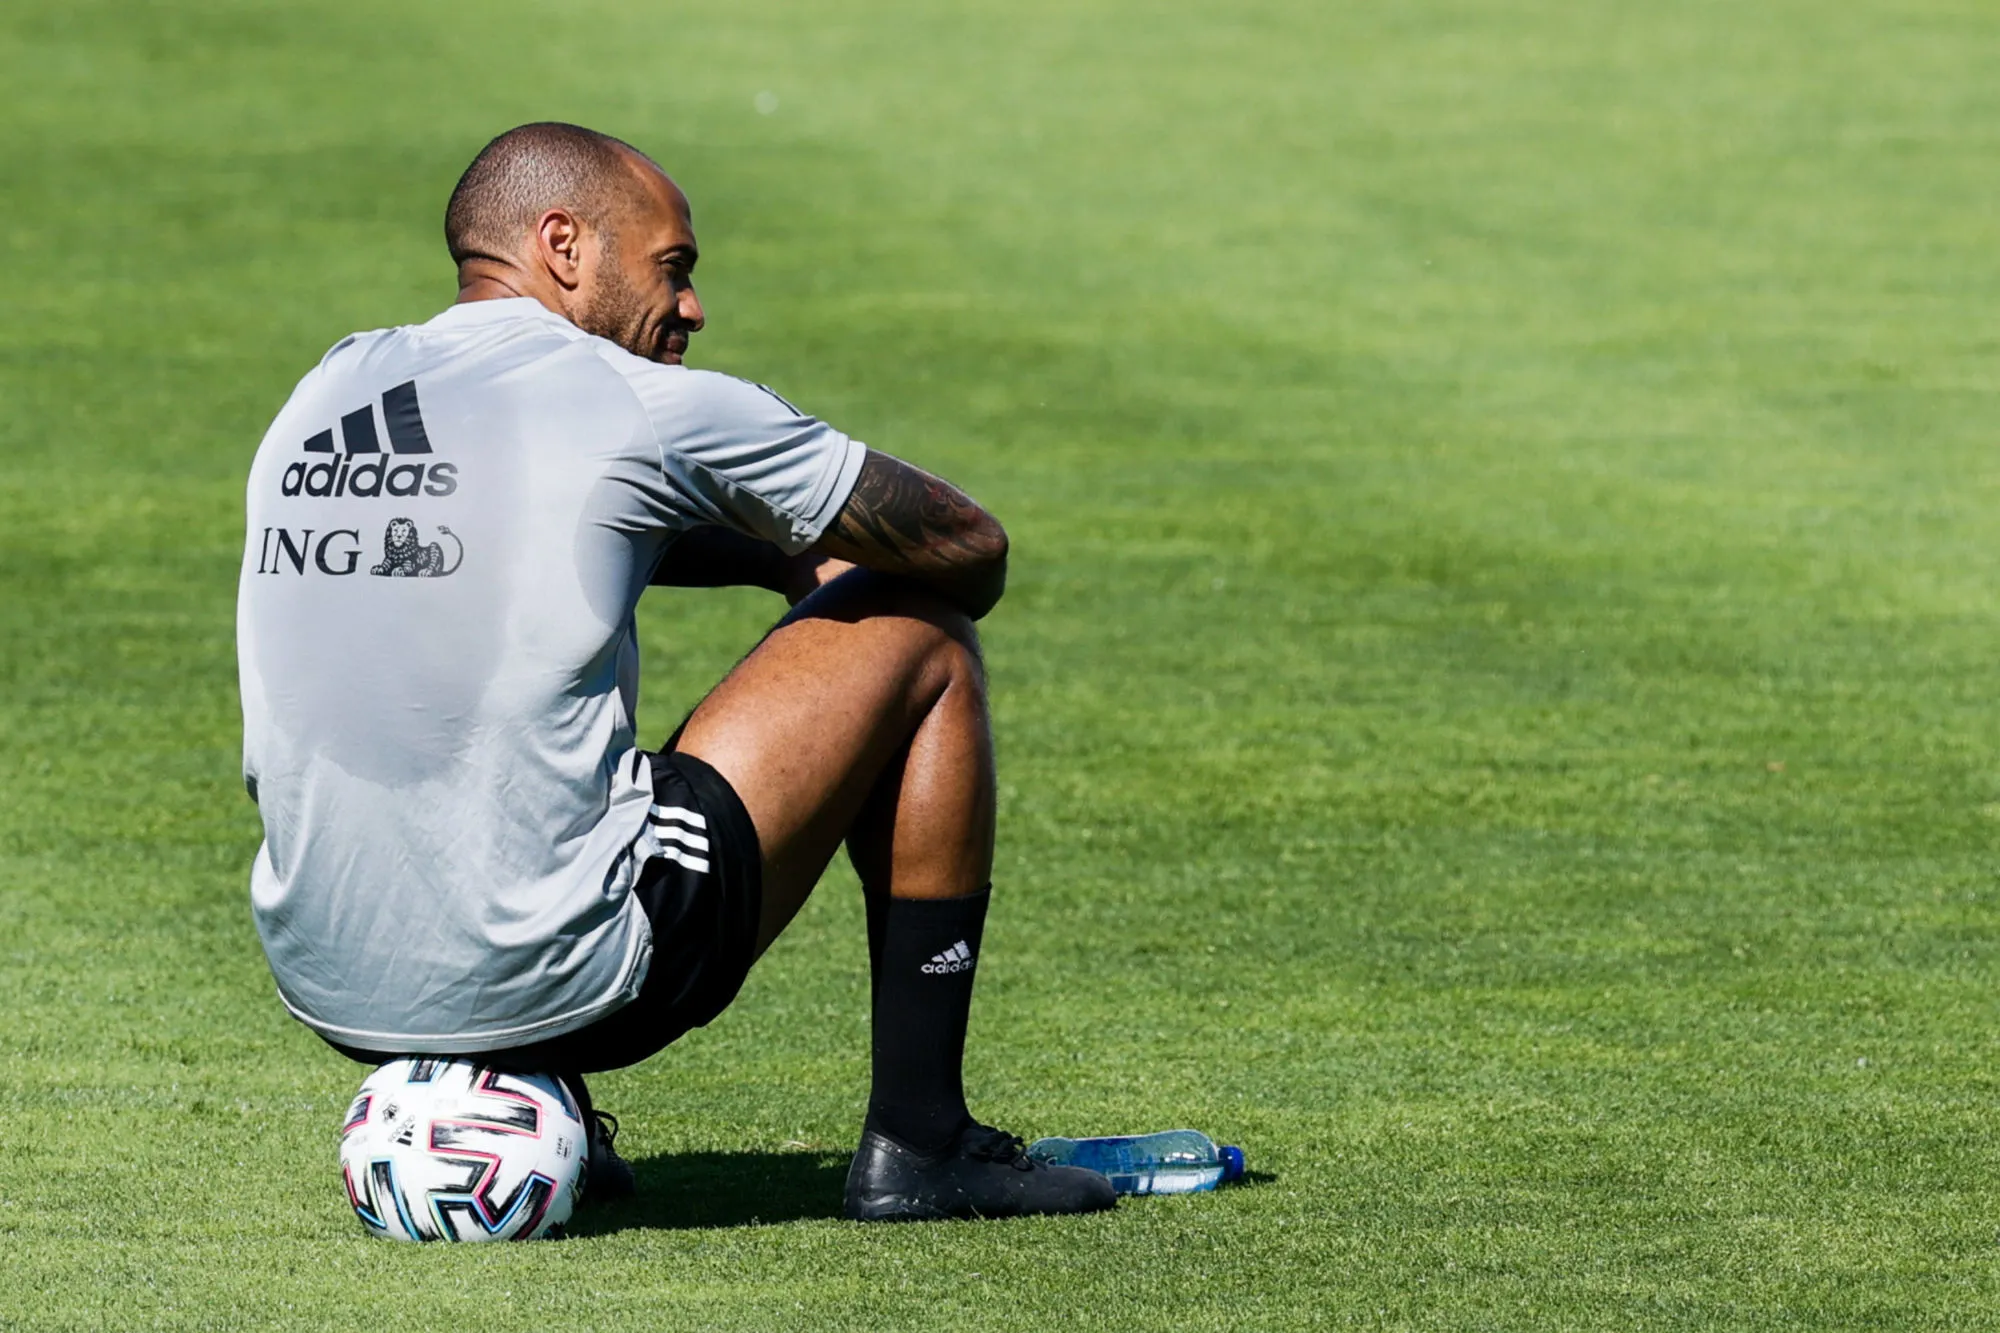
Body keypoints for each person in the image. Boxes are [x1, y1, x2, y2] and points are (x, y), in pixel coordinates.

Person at [235, 121, 1114, 1223]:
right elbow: (968, 550)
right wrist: (804, 556)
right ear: (564, 243)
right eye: (673, 267)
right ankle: (923, 1143)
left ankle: (547, 1102)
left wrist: (727, 546)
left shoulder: (327, 390)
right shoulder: (635, 402)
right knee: (920, 628)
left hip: (325, 977)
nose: (692, 307)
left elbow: (514, 537)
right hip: (583, 979)